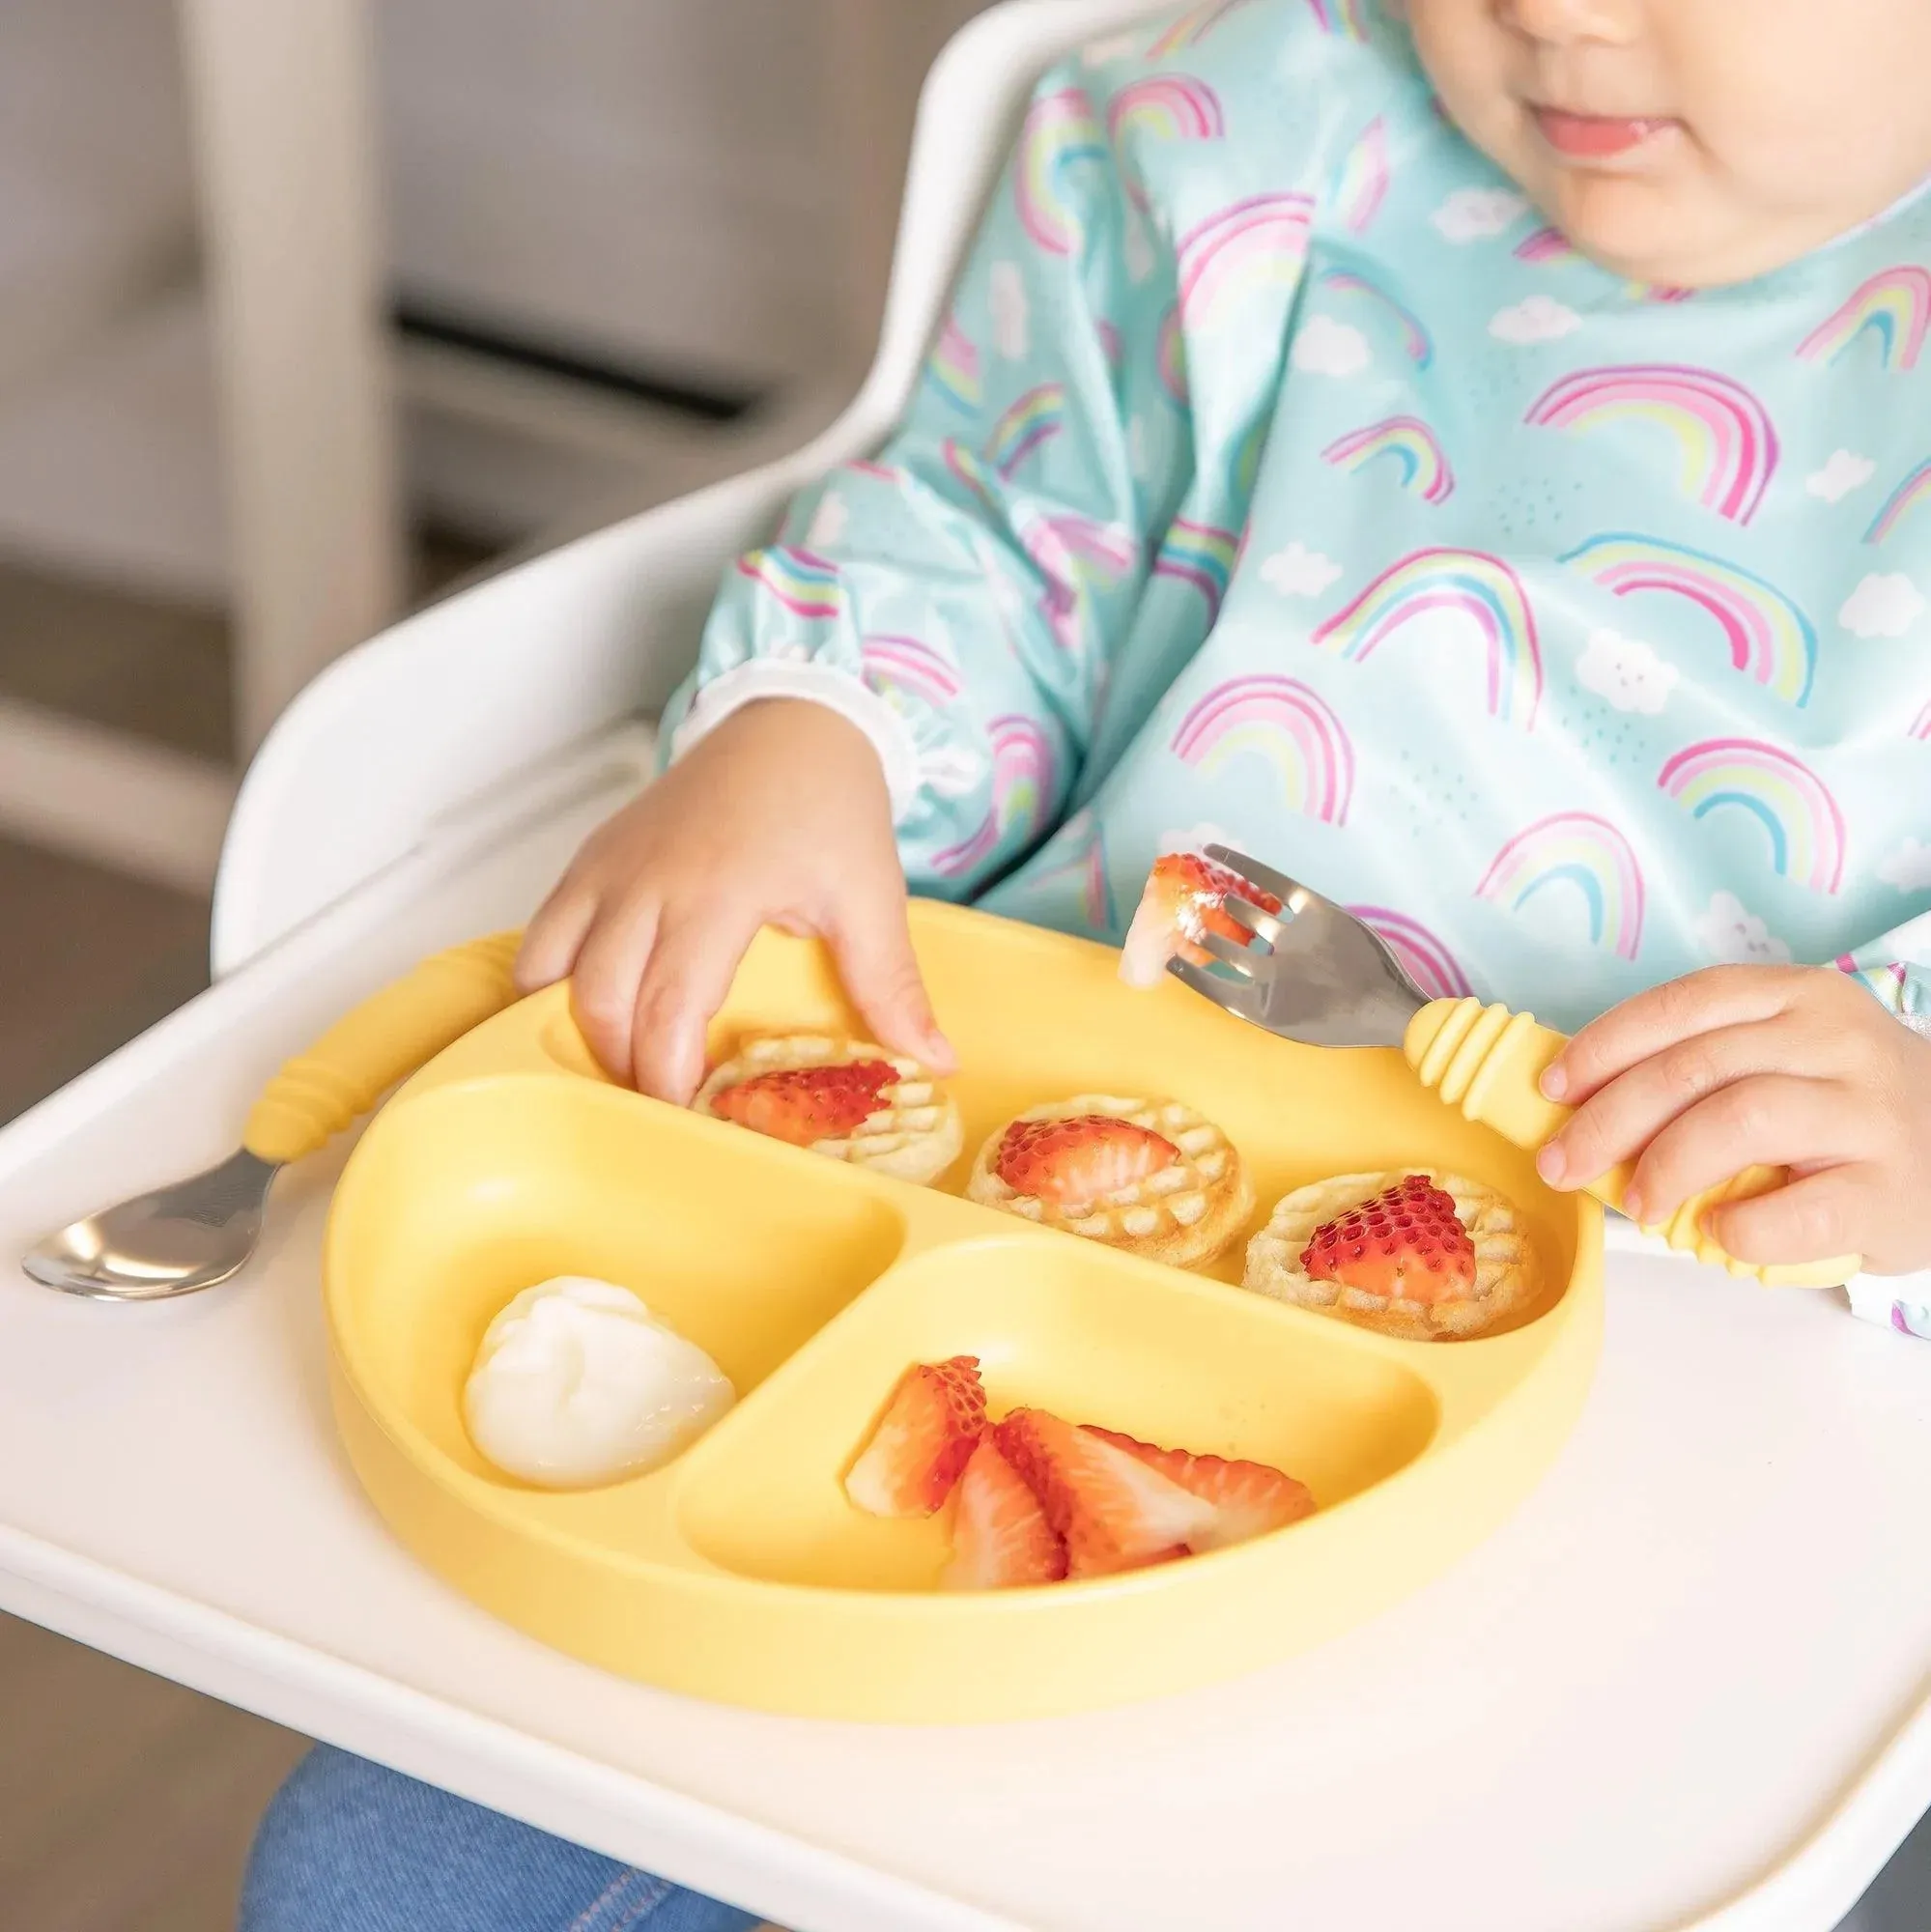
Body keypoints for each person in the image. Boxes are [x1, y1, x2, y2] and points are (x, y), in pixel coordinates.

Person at [243, 0, 1931, 1923]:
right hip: (1044, 1234)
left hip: (1676, 1482)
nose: (1543, 10)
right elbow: (996, 530)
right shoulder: (1247, 141)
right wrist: (822, 728)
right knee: (372, 1876)